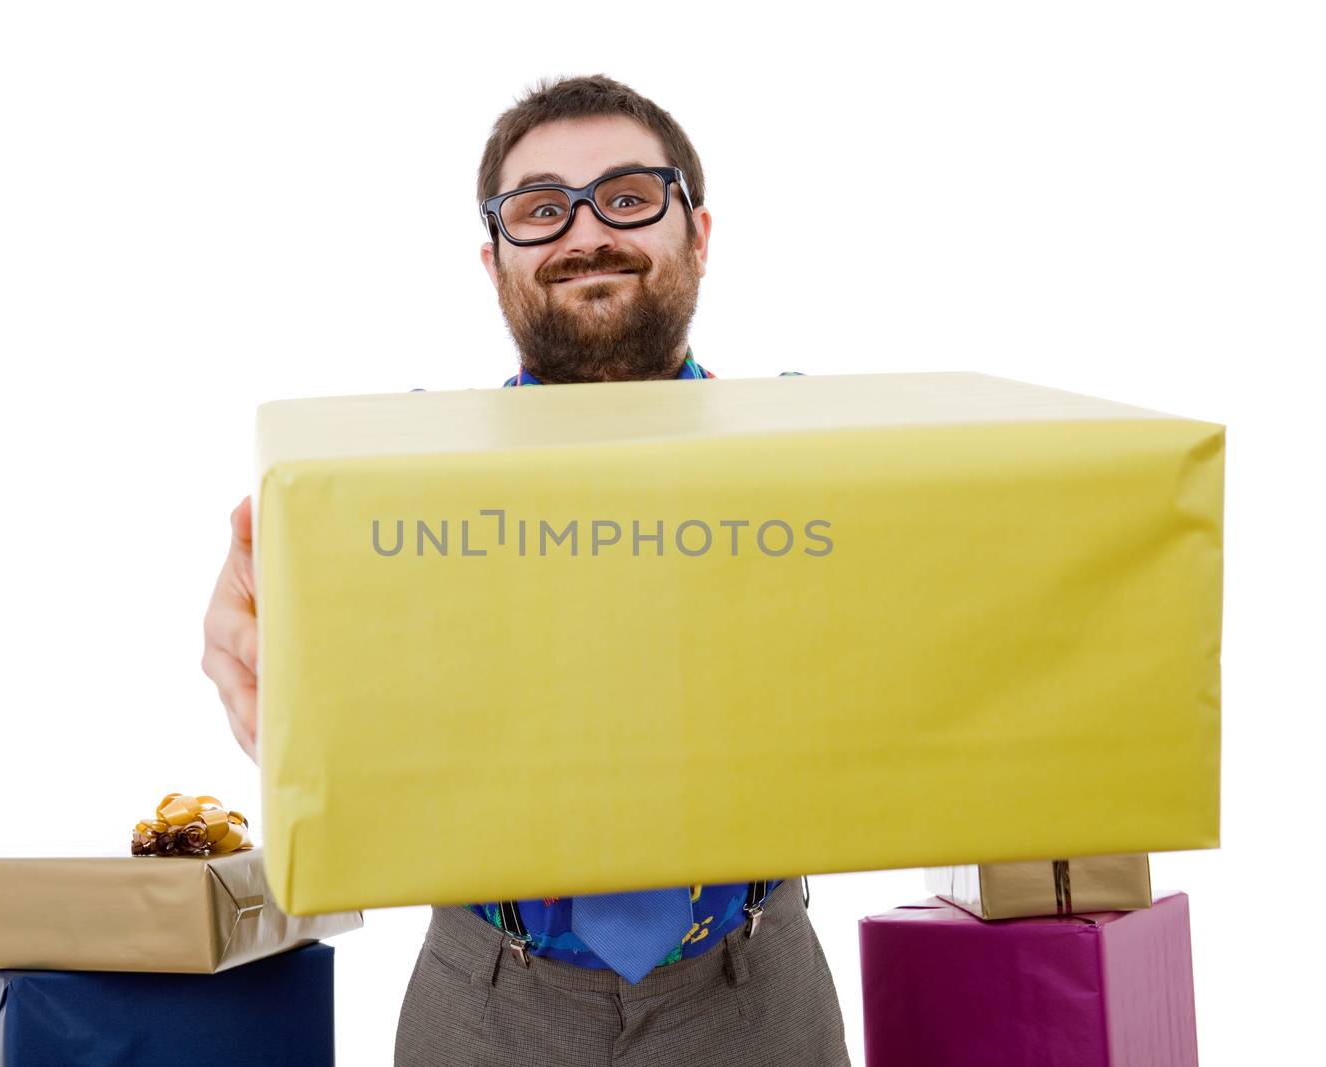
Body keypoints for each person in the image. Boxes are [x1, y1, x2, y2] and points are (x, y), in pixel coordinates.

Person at [201, 74, 851, 1066]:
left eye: (628, 196)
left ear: (700, 233)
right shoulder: (386, 489)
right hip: (484, 995)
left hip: (753, 990)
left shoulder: (825, 467)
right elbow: (339, 723)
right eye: (541, 209)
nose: (587, 231)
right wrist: (269, 648)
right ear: (496, 258)